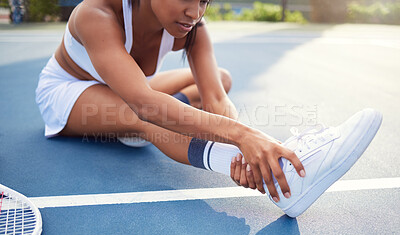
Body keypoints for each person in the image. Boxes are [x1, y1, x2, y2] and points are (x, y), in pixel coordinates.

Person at [35, 0, 382, 217]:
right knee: (149, 120)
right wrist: (245, 135)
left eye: (204, 0)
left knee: (221, 78)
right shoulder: (96, 13)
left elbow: (216, 98)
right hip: (68, 92)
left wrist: (247, 155)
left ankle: (280, 185)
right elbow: (142, 103)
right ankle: (285, 176)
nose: (195, 12)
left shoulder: (192, 29)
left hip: (121, 88)